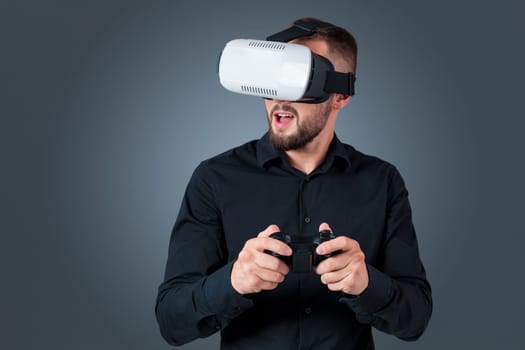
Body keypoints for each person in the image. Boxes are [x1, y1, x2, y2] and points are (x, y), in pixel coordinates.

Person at [155, 18, 432, 349]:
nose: (279, 99)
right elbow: (172, 323)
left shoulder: (381, 181)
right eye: (273, 79)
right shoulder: (215, 178)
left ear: (340, 95)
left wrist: (367, 284)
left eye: (298, 78)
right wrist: (233, 281)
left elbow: (415, 320)